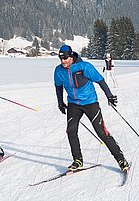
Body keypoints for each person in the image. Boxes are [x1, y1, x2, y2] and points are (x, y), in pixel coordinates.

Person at [54, 44, 129, 173]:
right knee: (71, 131)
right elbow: (58, 87)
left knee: (101, 133)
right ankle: (77, 160)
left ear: (71, 56)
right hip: (73, 104)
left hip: (90, 103)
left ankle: (121, 159)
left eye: (65, 58)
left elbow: (100, 80)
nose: (63, 61)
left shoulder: (85, 67)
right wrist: (60, 103)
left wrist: (109, 96)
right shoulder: (59, 70)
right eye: (61, 59)